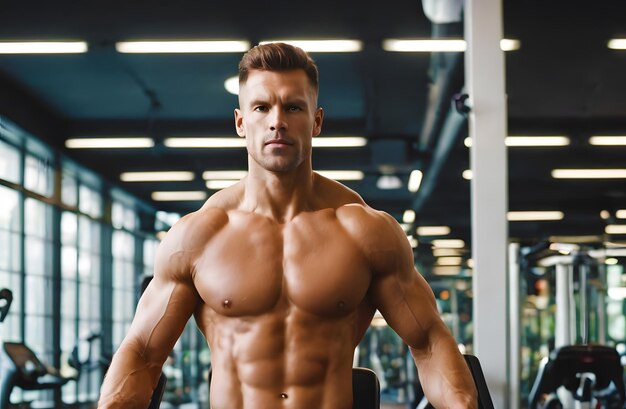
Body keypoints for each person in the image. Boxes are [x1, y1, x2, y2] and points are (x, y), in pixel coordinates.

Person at [98, 42, 477, 409]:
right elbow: (143, 354)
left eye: (293, 107)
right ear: (241, 122)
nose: (277, 121)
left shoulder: (366, 233)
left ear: (316, 121)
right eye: (262, 107)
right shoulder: (198, 237)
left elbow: (428, 343)